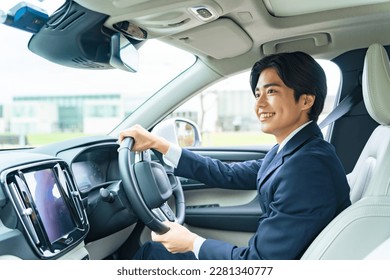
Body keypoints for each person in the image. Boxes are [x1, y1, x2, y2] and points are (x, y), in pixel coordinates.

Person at [118, 51, 351, 260]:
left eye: (271, 91)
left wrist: (191, 242)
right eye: (257, 93)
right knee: (154, 252)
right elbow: (228, 174)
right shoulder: (295, 150)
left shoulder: (307, 168)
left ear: (306, 100)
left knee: (151, 254)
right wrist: (160, 145)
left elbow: (258, 265)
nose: (259, 104)